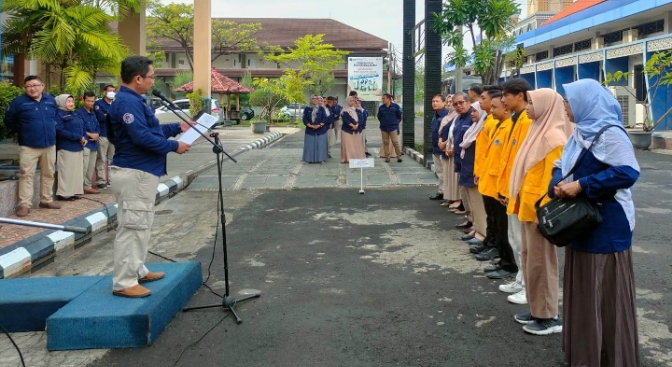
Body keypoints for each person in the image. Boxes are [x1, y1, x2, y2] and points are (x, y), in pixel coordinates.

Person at [554, 79, 640, 364]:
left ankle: (609, 356)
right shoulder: (580, 132)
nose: (565, 106)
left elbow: (627, 172)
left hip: (606, 227)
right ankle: (585, 353)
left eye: (568, 101)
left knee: (604, 295)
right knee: (585, 292)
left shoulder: (610, 133)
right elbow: (562, 166)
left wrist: (581, 186)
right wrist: (557, 183)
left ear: (585, 103)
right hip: (582, 223)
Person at [108, 55, 191, 298]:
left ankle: (137, 269)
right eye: (151, 76)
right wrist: (174, 146)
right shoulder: (127, 102)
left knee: (141, 224)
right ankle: (124, 282)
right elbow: (140, 138)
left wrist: (178, 128)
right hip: (134, 171)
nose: (153, 80)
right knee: (132, 226)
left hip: (143, 171)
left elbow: (150, 130)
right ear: (138, 78)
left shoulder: (135, 100)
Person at [509, 88, 572, 335]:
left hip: (539, 214)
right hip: (527, 209)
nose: (527, 106)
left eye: (532, 102)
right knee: (530, 262)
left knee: (542, 264)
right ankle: (537, 309)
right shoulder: (538, 130)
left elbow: (553, 182)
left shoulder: (554, 138)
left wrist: (542, 212)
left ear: (546, 105)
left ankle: (548, 316)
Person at [497, 78, 533, 305]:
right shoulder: (516, 120)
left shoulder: (527, 121)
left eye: (506, 96)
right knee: (515, 239)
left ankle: (528, 286)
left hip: (522, 190)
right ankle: (521, 279)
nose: (502, 100)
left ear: (520, 95)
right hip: (512, 187)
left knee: (523, 242)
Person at [4, 75, 61, 217]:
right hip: (28, 146)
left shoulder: (50, 100)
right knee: (26, 175)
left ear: (42, 86)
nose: (32, 88)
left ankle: (46, 200)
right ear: (25, 88)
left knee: (48, 173)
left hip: (49, 144)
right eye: (28, 86)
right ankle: (24, 204)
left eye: (35, 85)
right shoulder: (19, 102)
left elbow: (55, 117)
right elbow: (9, 120)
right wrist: (24, 130)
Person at [456, 101, 488, 250]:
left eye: (475, 111)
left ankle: (482, 234)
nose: (472, 114)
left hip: (475, 171)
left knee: (478, 205)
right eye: (472, 112)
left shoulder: (483, 128)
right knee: (472, 203)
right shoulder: (475, 128)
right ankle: (476, 229)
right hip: (468, 169)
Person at [450, 93, 475, 230]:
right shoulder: (459, 119)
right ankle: (469, 218)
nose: (459, 106)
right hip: (460, 161)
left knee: (472, 195)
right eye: (456, 104)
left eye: (461, 102)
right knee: (464, 192)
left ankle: (475, 223)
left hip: (470, 162)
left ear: (468, 102)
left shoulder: (473, 117)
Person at [54, 94, 86, 201]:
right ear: (62, 102)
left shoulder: (74, 114)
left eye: (72, 101)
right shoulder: (58, 115)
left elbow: (82, 128)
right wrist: (77, 137)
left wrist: (84, 138)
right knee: (66, 171)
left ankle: (73, 192)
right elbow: (59, 130)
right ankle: (64, 194)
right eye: (68, 101)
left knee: (76, 171)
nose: (71, 104)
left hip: (78, 146)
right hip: (66, 146)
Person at [77, 91, 100, 194]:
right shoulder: (78, 113)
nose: (90, 103)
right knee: (83, 167)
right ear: (83, 100)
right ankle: (78, 188)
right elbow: (78, 128)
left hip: (94, 144)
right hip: (85, 143)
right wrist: (90, 134)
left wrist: (97, 134)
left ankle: (87, 186)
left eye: (92, 101)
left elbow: (98, 126)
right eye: (88, 101)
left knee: (90, 167)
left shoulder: (93, 113)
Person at [439, 95, 460, 208]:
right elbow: (440, 131)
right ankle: (449, 197)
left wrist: (446, 143)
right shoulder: (446, 116)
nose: (450, 104)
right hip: (444, 149)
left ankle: (455, 198)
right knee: (446, 176)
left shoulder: (457, 116)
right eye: (448, 101)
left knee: (453, 177)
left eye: (452, 101)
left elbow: (454, 134)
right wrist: (440, 142)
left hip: (451, 149)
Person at [94, 84, 116, 189]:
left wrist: (108, 115)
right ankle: (101, 181)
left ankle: (111, 181)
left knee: (112, 159)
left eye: (113, 91)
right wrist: (110, 116)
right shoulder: (98, 104)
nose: (112, 92)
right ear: (104, 92)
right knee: (101, 158)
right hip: (103, 134)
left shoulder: (115, 104)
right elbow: (101, 118)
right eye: (110, 91)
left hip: (114, 135)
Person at [429, 94, 449, 201]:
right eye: (433, 101)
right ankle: (441, 191)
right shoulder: (435, 115)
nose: (434, 103)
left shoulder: (446, 115)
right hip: (435, 148)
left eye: (437, 101)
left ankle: (446, 194)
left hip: (443, 149)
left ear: (444, 102)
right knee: (439, 172)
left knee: (444, 173)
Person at [302, 95, 329, 163]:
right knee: (310, 145)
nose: (315, 100)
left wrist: (319, 125)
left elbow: (325, 118)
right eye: (313, 99)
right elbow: (304, 119)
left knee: (320, 145)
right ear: (311, 100)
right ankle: (310, 159)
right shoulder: (307, 109)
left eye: (316, 99)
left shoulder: (321, 109)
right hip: (310, 130)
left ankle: (321, 159)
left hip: (321, 130)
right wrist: (310, 125)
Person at [377, 93, 402, 163]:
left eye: (384, 98)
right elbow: (379, 116)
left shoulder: (395, 106)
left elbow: (399, 116)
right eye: (382, 98)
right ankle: (387, 157)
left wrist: (394, 123)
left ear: (388, 99)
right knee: (386, 142)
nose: (382, 100)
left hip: (393, 127)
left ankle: (399, 156)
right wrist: (383, 122)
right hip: (384, 127)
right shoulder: (381, 107)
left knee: (395, 142)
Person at [340, 96, 366, 163]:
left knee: (356, 144)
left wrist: (357, 125)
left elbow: (361, 119)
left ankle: (356, 157)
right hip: (347, 130)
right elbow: (346, 120)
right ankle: (348, 158)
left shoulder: (357, 110)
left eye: (353, 101)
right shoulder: (344, 111)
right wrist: (352, 125)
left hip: (357, 129)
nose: (352, 102)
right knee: (348, 145)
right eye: (350, 101)